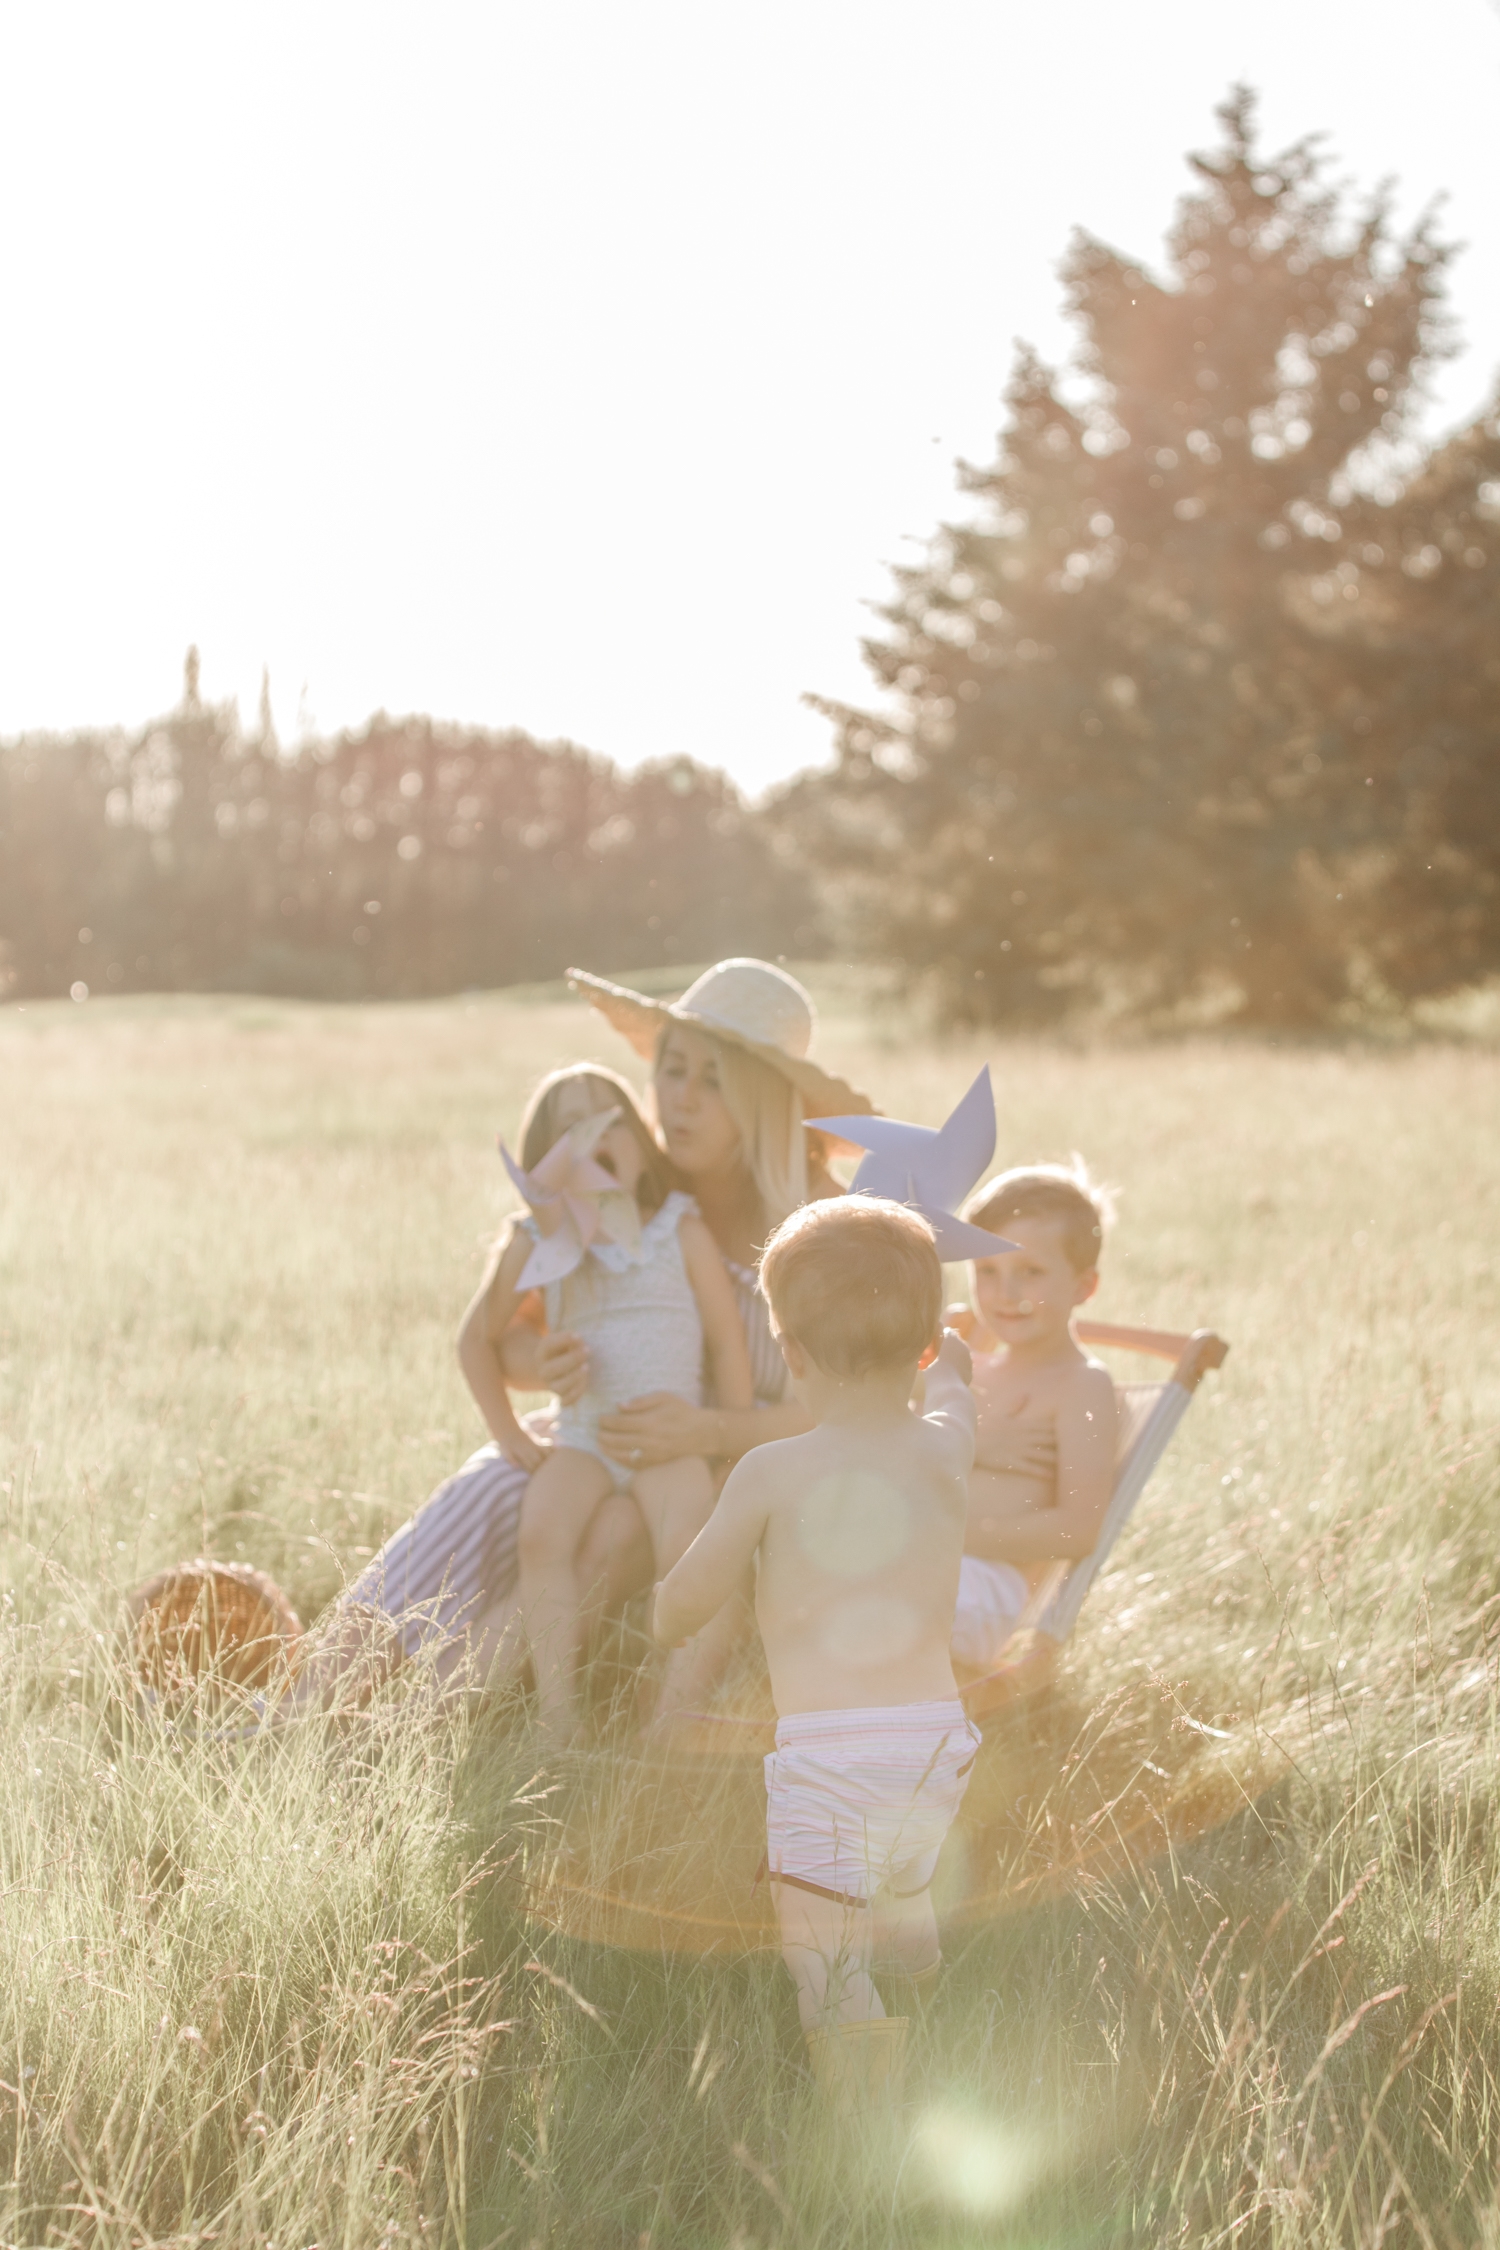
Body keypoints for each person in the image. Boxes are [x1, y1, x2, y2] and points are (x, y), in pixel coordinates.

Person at [302, 959, 871, 1706]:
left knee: (610, 1536)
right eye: (672, 1069)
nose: (682, 1099)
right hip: (614, 1426)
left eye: (714, 1080)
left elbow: (858, 1411)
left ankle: (425, 1716)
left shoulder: (826, 1226)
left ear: (765, 1098)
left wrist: (713, 1433)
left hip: (750, 1459)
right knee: (491, 1483)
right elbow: (508, 1344)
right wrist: (550, 1361)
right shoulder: (637, 1184)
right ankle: (314, 1688)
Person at [654, 1197, 980, 2110]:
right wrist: (957, 1370)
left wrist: (664, 1615)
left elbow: (690, 1599)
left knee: (822, 1956)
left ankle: (867, 2137)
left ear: (791, 1354)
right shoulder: (946, 1451)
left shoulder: (770, 1470)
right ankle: (922, 1973)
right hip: (934, 1744)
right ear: (923, 1348)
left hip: (831, 1757)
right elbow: (958, 1400)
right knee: (901, 1879)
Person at [476, 1063, 753, 1739]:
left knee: (695, 1551)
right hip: (584, 1439)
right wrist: (506, 1428)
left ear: (641, 1140)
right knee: (542, 1534)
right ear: (546, 1164)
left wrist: (732, 1442)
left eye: (611, 1120)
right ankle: (559, 1712)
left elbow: (727, 1342)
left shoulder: (677, 1229)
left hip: (666, 1440)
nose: (594, 1137)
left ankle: (674, 1713)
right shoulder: (544, 1242)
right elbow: (477, 1338)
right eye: (572, 1128)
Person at [946, 1164, 1120, 1672]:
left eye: (1031, 1271)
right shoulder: (969, 1369)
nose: (1005, 1292)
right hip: (922, 1556)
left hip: (984, 1585)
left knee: (875, 1582)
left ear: (1084, 1286)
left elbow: (1077, 1529)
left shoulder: (1081, 1385)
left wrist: (946, 1535)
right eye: (987, 1271)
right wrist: (975, 1445)